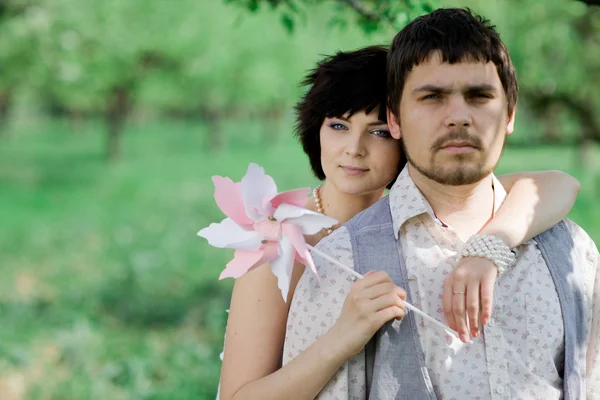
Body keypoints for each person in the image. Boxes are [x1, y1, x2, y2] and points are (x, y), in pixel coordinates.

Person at [218, 45, 583, 400]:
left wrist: (489, 248)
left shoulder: (413, 215)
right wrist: (340, 338)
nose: (354, 149)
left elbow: (556, 184)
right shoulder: (279, 239)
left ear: (402, 130)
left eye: (377, 131)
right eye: (338, 125)